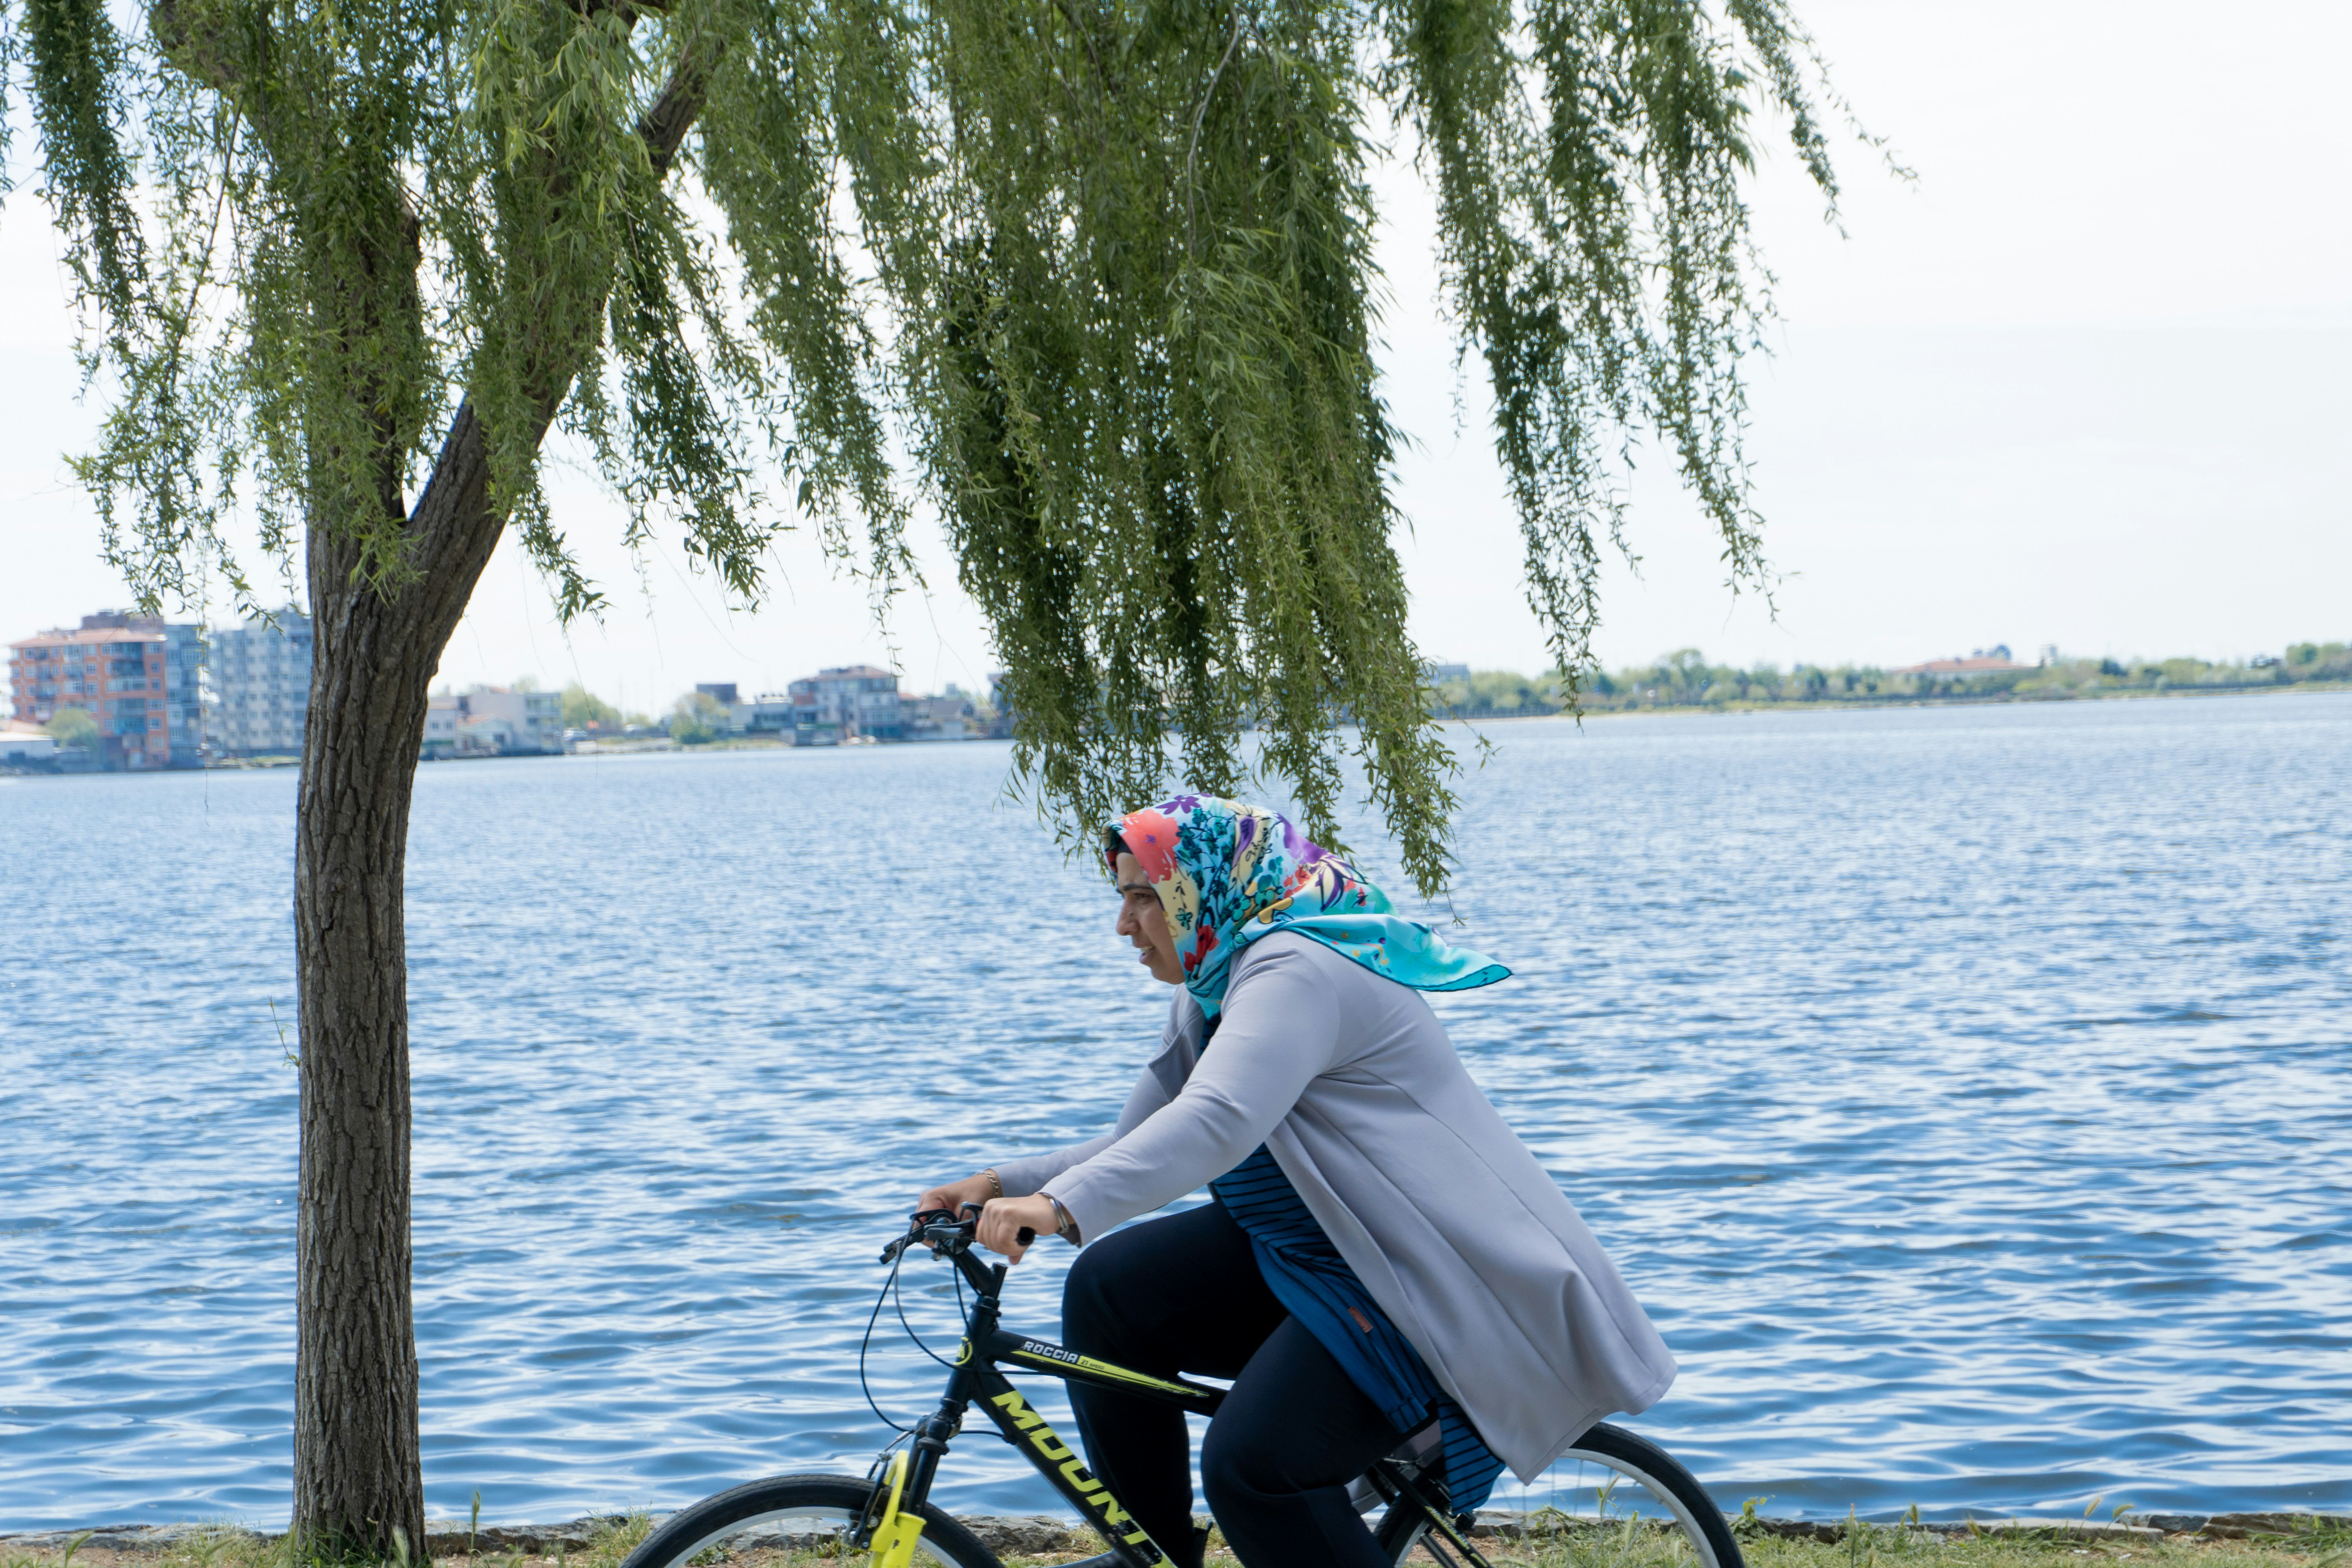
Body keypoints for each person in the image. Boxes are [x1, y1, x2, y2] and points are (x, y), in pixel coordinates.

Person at [915, 796, 1676, 1568]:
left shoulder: (1296, 968)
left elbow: (1215, 1121)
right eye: (1123, 898)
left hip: (1416, 1279)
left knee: (1255, 1470)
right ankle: (1154, 1554)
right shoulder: (1215, 981)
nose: (1124, 925)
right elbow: (1137, 1142)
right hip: (1317, 1251)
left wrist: (1054, 1207)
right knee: (1108, 1291)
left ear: (1200, 890)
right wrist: (994, 1181)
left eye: (1143, 897)